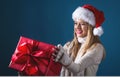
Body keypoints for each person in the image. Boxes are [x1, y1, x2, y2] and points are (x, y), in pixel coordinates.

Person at [52, 4, 106, 76]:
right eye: (75, 23)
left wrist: (63, 58)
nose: (77, 27)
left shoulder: (97, 48)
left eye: (82, 24)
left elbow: (78, 68)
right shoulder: (69, 45)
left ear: (90, 27)